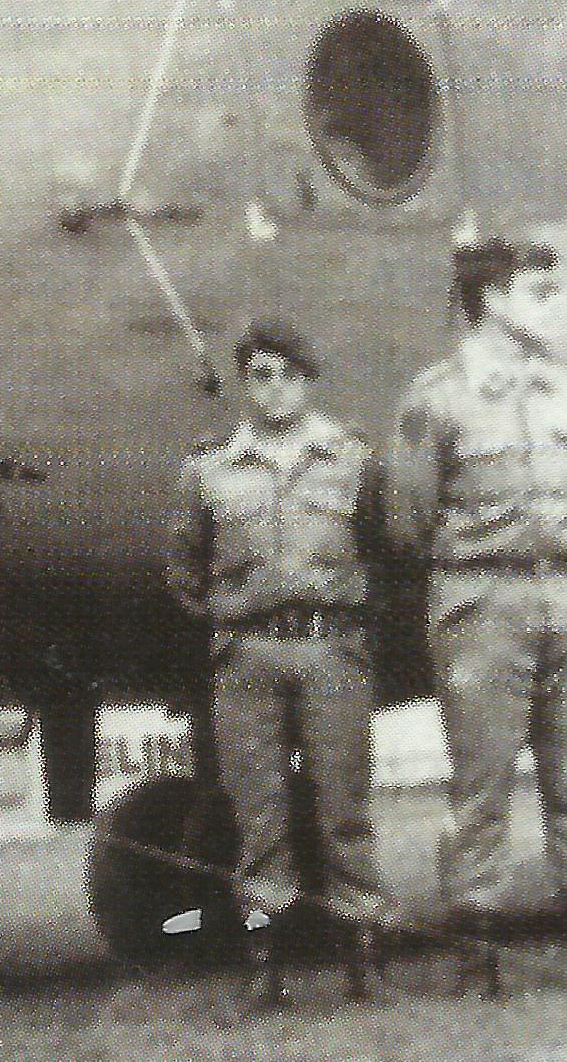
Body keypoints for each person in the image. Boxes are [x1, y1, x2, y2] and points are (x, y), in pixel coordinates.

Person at [386, 237, 567, 991]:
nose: (554, 305)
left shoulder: (566, 389)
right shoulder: (437, 396)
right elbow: (408, 520)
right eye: (539, 291)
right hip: (482, 600)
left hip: (564, 593)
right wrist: (483, 564)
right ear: (491, 298)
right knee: (482, 781)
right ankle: (479, 942)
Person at [168, 320, 397, 1007]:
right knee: (259, 817)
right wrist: (236, 620)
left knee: (343, 808)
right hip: (250, 658)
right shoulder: (208, 468)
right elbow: (183, 571)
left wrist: (347, 611)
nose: (274, 390)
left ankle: (364, 958)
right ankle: (264, 963)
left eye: (288, 375)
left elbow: (383, 549)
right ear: (246, 382)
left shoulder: (351, 459)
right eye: (261, 376)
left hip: (332, 650)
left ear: (309, 379)